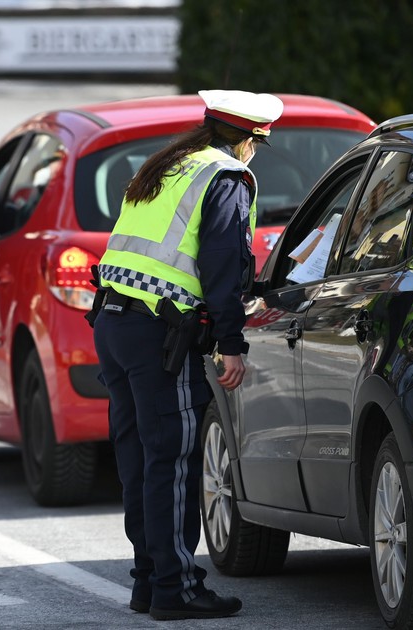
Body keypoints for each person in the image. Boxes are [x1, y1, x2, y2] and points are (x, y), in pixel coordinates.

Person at [90, 89, 282, 620]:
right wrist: (231, 342)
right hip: (160, 333)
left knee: (138, 460)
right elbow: (223, 265)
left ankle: (149, 580)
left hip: (113, 321)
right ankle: (176, 589)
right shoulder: (224, 176)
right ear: (249, 139)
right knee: (172, 461)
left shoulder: (166, 165)